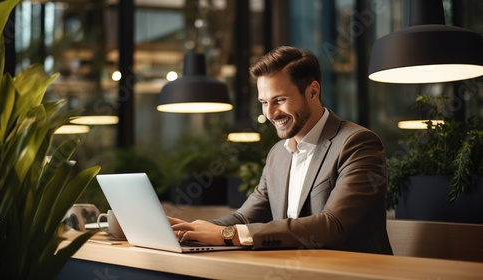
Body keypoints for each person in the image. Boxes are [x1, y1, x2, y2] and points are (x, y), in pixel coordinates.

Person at [168, 46, 393, 255]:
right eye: (264, 102)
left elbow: (332, 225)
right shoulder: (279, 153)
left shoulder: (358, 143)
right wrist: (188, 230)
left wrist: (228, 235)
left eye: (280, 100)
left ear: (313, 91)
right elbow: (245, 217)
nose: (270, 113)